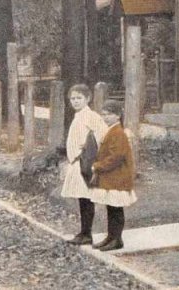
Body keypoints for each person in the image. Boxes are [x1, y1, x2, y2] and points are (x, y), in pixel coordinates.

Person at [61, 84, 107, 245]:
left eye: (79, 98)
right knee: (82, 198)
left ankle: (87, 234)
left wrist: (90, 153)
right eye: (72, 98)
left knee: (87, 198)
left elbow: (102, 135)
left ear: (87, 99)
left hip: (85, 161)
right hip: (76, 162)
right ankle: (83, 231)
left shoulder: (91, 116)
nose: (75, 101)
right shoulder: (78, 116)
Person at [90, 99, 137, 251]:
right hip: (111, 177)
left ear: (118, 116)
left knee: (116, 209)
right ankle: (110, 237)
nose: (106, 117)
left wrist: (97, 166)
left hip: (118, 177)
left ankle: (117, 239)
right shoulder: (111, 130)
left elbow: (115, 157)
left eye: (110, 114)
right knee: (111, 208)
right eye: (103, 114)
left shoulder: (118, 132)